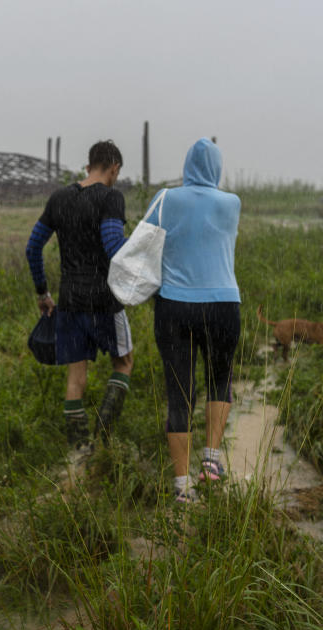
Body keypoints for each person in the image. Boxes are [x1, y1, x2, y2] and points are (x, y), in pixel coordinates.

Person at [148, 138, 241, 503]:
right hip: (223, 305)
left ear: (187, 166)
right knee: (220, 381)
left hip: (174, 307)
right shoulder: (232, 203)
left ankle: (183, 486)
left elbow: (144, 241)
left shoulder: (165, 199)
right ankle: (212, 462)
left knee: (179, 393)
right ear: (217, 168)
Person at [25, 140, 133, 452]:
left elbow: (33, 247)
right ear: (113, 168)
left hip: (69, 301)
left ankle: (78, 454)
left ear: (89, 166)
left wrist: (43, 292)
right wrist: (142, 255)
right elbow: (113, 245)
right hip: (105, 301)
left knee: (76, 379)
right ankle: (104, 439)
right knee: (124, 362)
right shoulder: (111, 197)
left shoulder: (59, 198)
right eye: (116, 173)